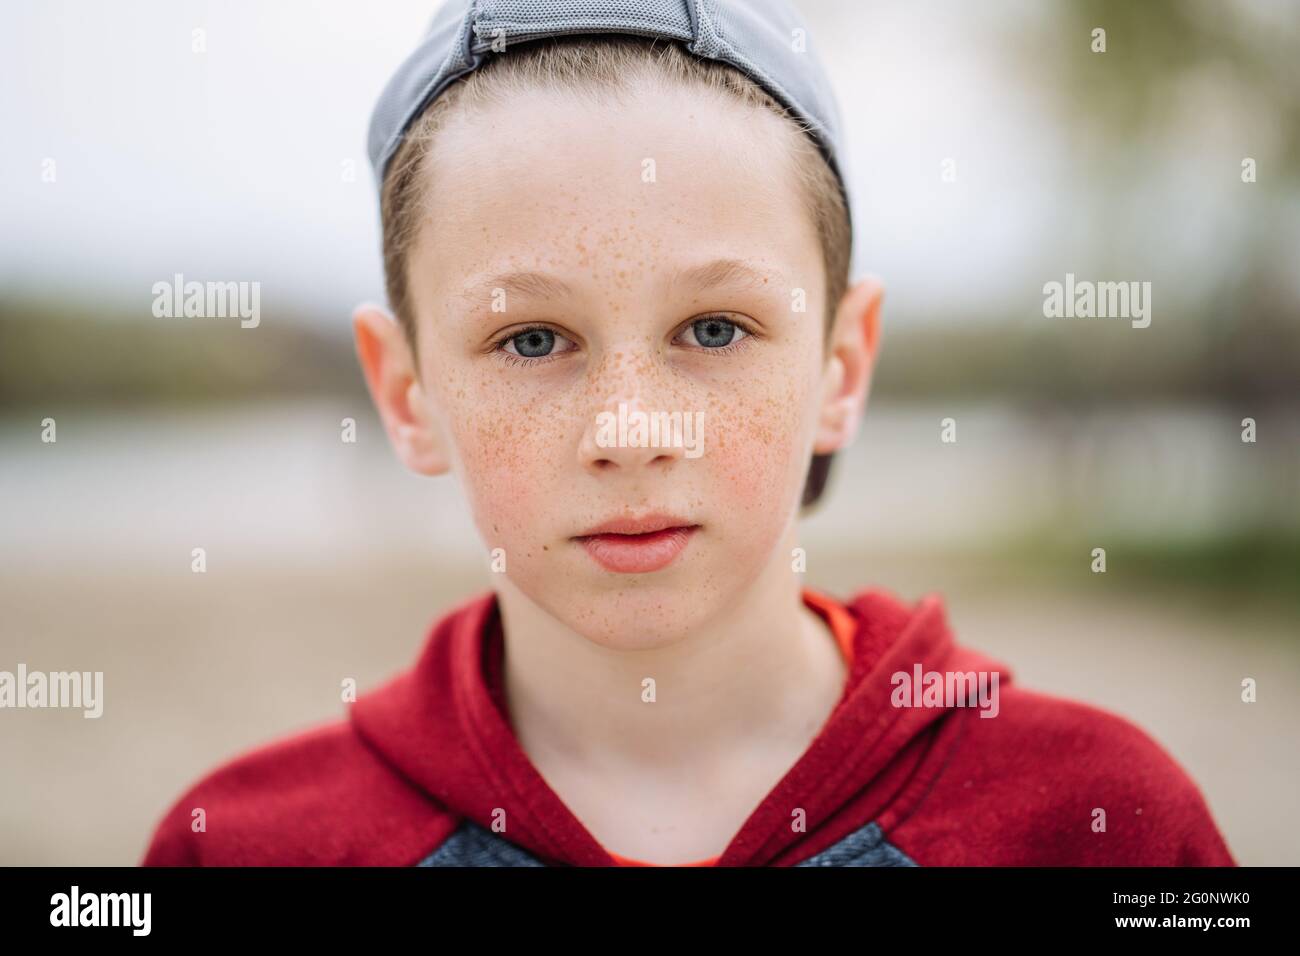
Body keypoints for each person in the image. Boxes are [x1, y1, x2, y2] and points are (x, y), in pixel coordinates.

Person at [142, 0, 1235, 866]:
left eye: (714, 327)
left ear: (840, 369)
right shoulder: (245, 843)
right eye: (531, 339)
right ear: (407, 391)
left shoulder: (1094, 818)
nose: (630, 430)